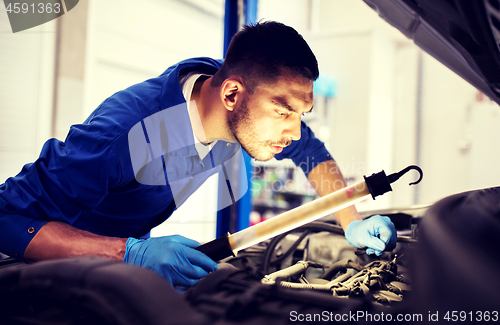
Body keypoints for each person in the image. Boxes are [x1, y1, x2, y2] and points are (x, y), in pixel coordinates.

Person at [0, 21, 396, 291]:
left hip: (112, 272)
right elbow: (5, 220)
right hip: (41, 279)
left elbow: (311, 152)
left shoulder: (232, 100)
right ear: (230, 95)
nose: (293, 131)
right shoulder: (122, 136)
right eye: (283, 112)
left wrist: (351, 221)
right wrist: (129, 252)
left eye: (300, 114)